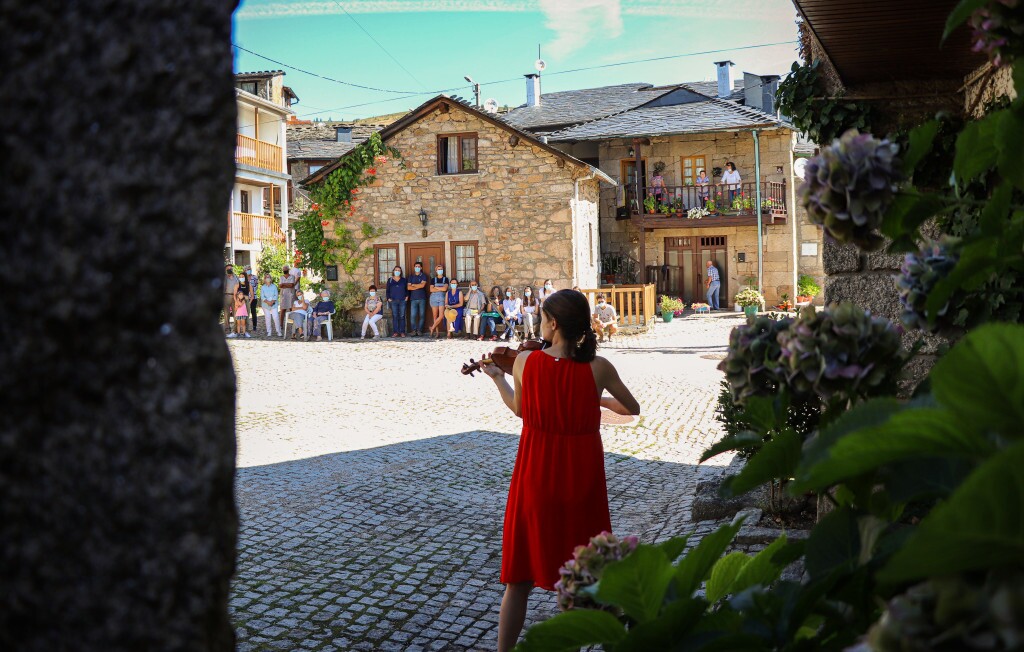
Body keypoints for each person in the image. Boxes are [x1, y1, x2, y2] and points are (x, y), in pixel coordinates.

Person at [477, 289, 640, 652]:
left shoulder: (524, 363)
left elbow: (521, 409)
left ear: (553, 323)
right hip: (582, 483)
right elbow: (632, 407)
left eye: (542, 318)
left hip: (535, 476)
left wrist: (496, 378)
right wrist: (590, 396)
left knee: (518, 580)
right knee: (581, 577)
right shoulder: (598, 368)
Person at [386, 265, 409, 338]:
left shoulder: (404, 280)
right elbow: (387, 291)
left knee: (402, 316)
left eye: (399, 270)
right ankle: (396, 332)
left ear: (401, 272)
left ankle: (402, 332)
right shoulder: (390, 280)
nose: (397, 271)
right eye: (396, 270)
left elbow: (407, 289)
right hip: (393, 301)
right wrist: (388, 298)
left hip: (402, 300)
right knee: (395, 316)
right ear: (393, 271)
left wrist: (406, 297)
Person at [407, 263, 429, 337]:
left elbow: (423, 285)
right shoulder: (411, 277)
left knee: (422, 315)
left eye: (418, 266)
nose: (417, 267)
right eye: (416, 266)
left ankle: (419, 330)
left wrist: (413, 285)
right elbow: (408, 288)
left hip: (422, 298)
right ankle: (414, 330)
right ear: (414, 268)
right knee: (413, 315)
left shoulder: (423, 276)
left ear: (421, 267)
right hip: (413, 299)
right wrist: (418, 286)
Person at [427, 265, 449, 339]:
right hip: (434, 298)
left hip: (442, 297)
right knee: (435, 316)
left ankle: (432, 328)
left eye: (441, 269)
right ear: (436, 271)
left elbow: (445, 288)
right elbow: (431, 290)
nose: (440, 270)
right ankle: (437, 333)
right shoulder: (433, 279)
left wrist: (435, 287)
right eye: (438, 269)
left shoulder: (446, 279)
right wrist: (440, 288)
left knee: (441, 316)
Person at [223, 264, 239, 335]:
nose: (230, 270)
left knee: (236, 313)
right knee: (226, 313)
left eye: (231, 268)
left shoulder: (236, 277)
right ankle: (227, 328)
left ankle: (235, 328)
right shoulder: (224, 277)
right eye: (228, 269)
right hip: (226, 296)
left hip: (235, 296)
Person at [244, 265, 259, 331]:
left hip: (254, 297)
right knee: (245, 312)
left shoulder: (255, 277)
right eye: (247, 269)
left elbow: (256, 286)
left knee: (253, 311)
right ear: (245, 270)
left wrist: (251, 293)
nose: (249, 270)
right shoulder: (243, 278)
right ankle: (245, 326)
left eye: (250, 269)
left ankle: (254, 326)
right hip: (245, 297)